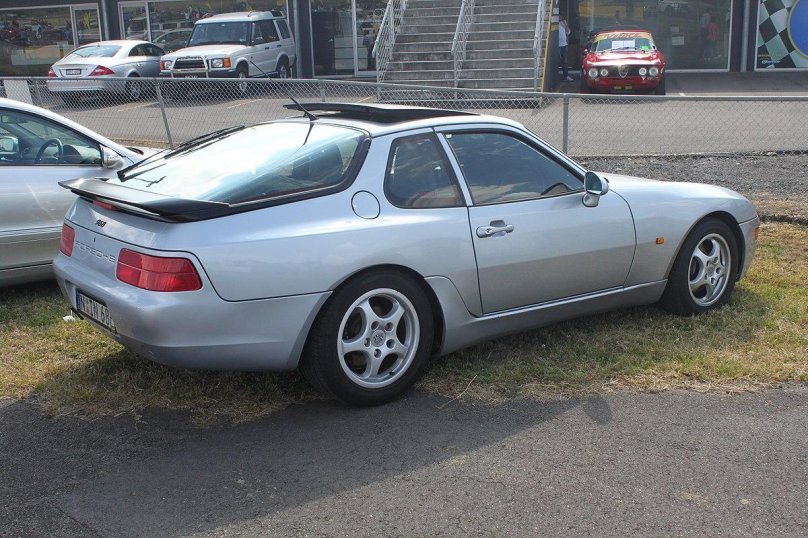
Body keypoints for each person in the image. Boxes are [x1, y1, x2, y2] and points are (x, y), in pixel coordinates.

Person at [558, 15, 572, 82]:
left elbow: (568, 32)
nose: (561, 17)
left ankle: (566, 76)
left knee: (565, 61)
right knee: (557, 61)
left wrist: (565, 24)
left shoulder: (563, 22)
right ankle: (556, 77)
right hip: (558, 45)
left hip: (564, 44)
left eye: (561, 16)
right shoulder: (555, 23)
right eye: (560, 16)